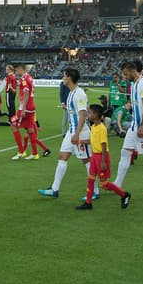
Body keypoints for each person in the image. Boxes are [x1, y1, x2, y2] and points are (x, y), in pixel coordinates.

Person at [38, 67, 92, 200]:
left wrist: (77, 134)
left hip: (80, 132)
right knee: (62, 156)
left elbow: (83, 114)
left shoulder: (79, 93)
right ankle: (54, 189)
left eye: (64, 75)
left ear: (69, 78)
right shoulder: (72, 92)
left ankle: (94, 191)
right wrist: (67, 108)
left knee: (86, 160)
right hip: (72, 131)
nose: (63, 78)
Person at [113, 60, 143, 196]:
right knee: (125, 152)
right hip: (135, 126)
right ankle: (117, 184)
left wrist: (142, 126)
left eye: (124, 74)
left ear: (131, 70)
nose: (124, 76)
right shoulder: (135, 84)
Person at [77, 104, 130, 210]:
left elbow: (104, 145)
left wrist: (103, 161)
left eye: (90, 112)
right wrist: (80, 141)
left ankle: (124, 195)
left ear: (96, 115)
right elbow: (92, 141)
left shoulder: (102, 128)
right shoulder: (93, 127)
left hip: (101, 157)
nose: (88, 114)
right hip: (94, 157)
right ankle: (88, 202)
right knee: (91, 179)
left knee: (104, 184)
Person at [14, 63, 49, 159]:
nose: (16, 72)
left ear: (21, 69)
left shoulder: (24, 79)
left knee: (13, 124)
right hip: (31, 106)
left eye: (17, 70)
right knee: (30, 129)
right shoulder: (29, 77)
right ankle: (34, 153)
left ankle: (21, 151)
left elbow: (26, 93)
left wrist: (23, 108)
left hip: (26, 107)